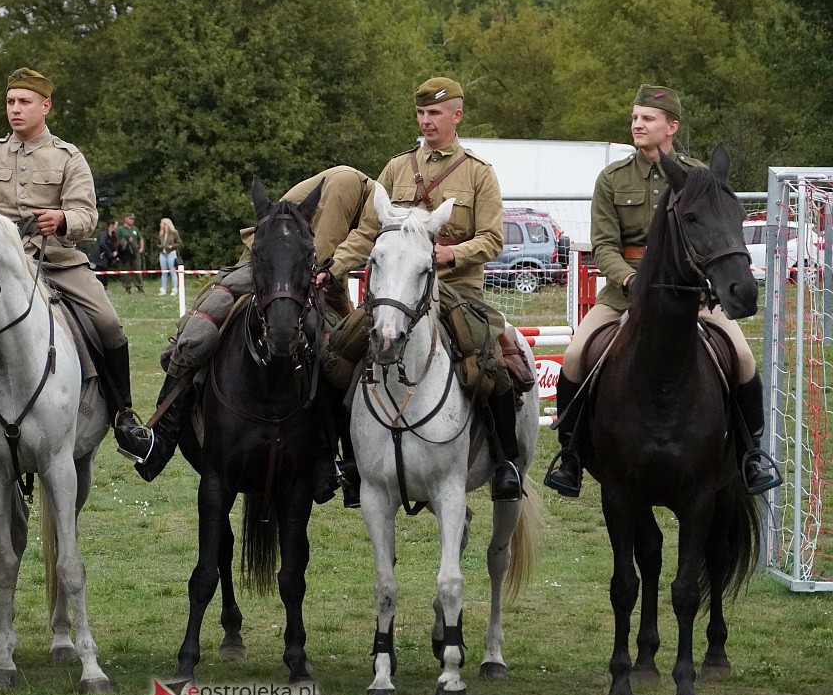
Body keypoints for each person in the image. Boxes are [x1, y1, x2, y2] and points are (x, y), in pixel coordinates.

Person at [544, 84, 782, 498]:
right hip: (626, 291)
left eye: (647, 118)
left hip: (692, 293)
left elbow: (715, 233)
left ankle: (752, 454)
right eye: (635, 118)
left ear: (671, 126)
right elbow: (603, 245)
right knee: (575, 355)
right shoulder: (612, 178)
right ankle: (571, 456)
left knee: (743, 357)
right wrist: (629, 280)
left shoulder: (698, 177)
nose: (638, 124)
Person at [0, 67, 150, 474]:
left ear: (45, 106)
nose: (15, 109)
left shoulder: (68, 157)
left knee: (109, 324)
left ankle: (123, 417)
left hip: (57, 263)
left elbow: (87, 213)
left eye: (24, 102)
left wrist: (63, 219)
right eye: (11, 102)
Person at [118, 165, 380, 497]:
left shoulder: (368, 205)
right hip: (268, 266)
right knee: (201, 329)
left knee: (336, 349)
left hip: (294, 272)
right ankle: (160, 438)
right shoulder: (348, 184)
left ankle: (331, 461)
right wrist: (340, 307)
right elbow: (324, 257)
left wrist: (344, 312)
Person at [371, 77, 533, 503]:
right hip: (399, 290)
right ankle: (352, 460)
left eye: (435, 113)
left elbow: (493, 239)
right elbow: (373, 231)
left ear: (456, 116)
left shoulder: (478, 173)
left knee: (489, 357)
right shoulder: (396, 168)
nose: (426, 121)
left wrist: (452, 255)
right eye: (421, 113)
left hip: (458, 288)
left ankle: (505, 462)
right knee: (345, 349)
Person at [116, 213, 145, 293]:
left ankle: (139, 286)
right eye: (130, 218)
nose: (132, 220)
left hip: (134, 250)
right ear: (125, 219)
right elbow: (117, 240)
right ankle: (127, 287)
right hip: (125, 251)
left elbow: (141, 238)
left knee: (137, 268)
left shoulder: (135, 229)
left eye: (133, 219)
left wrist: (141, 248)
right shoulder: (120, 229)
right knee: (125, 269)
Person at [90, 219, 119, 286]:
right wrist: (110, 253)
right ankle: (99, 286)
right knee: (100, 271)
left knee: (106, 271)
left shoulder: (113, 235)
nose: (117, 227)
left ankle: (105, 286)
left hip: (106, 257)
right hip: (100, 255)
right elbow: (102, 244)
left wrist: (115, 251)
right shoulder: (103, 234)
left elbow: (114, 245)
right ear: (111, 225)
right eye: (116, 225)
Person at [158, 217, 182, 295]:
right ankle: (163, 289)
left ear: (166, 224)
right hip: (163, 253)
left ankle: (174, 289)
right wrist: (160, 246)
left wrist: (172, 246)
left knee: (172, 271)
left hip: (171, 253)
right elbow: (158, 243)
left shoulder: (174, 232)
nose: (160, 225)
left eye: (162, 223)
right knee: (164, 272)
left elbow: (179, 243)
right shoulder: (161, 233)